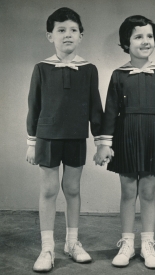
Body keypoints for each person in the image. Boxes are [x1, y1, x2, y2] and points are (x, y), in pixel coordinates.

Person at [94, 15, 155, 269]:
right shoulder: (119, 75)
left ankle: (148, 244)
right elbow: (110, 112)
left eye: (149, 36)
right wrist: (105, 144)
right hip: (127, 134)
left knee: (148, 192)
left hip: (154, 133)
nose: (145, 41)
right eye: (138, 36)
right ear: (126, 42)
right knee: (129, 191)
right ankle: (128, 243)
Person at [26, 7, 103, 272]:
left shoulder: (89, 69)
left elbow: (96, 109)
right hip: (47, 138)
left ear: (81, 35)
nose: (67, 35)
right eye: (61, 30)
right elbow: (33, 108)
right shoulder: (42, 68)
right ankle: (47, 248)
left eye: (73, 30)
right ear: (50, 36)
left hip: (75, 138)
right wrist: (31, 142)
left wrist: (102, 142)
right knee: (48, 190)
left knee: (72, 189)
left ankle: (72, 243)